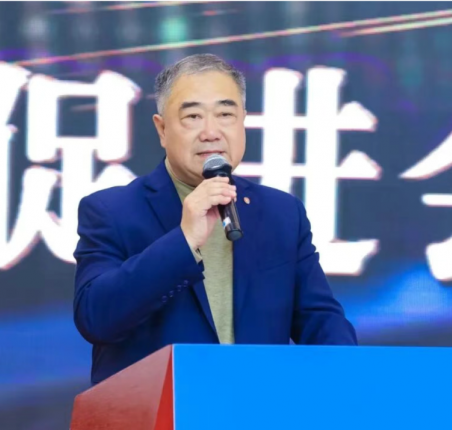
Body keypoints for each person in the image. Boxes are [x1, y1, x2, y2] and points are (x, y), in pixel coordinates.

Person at [73, 53, 357, 385]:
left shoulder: (281, 213)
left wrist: (352, 380)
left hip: (256, 406)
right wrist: (183, 241)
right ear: (162, 129)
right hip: (160, 408)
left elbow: (321, 320)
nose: (211, 132)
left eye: (225, 114)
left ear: (243, 121)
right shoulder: (113, 210)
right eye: (193, 116)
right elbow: (96, 318)